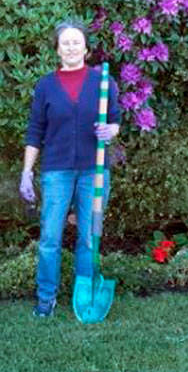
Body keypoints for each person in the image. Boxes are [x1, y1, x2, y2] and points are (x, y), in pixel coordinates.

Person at [20, 21, 120, 317]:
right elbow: (35, 131)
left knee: (89, 236)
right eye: (66, 43)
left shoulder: (104, 82)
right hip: (57, 171)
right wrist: (27, 171)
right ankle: (45, 298)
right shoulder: (46, 85)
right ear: (57, 49)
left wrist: (110, 131)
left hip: (95, 170)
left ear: (86, 49)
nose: (72, 47)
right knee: (50, 237)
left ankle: (84, 291)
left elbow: (115, 120)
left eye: (77, 42)